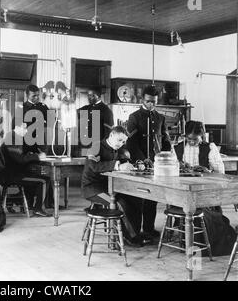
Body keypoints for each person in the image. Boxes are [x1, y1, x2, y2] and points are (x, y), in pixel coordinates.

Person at [173, 120, 237, 256]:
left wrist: (206, 170)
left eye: (196, 139)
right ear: (185, 136)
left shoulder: (209, 147)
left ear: (201, 135)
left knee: (204, 213)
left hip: (204, 190)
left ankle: (201, 242)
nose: (192, 142)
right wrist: (180, 167)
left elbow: (220, 172)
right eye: (189, 139)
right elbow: (171, 168)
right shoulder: (178, 147)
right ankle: (190, 237)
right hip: (182, 189)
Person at [81, 126, 144, 247]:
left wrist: (137, 164)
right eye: (119, 140)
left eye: (124, 141)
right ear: (111, 135)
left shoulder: (119, 148)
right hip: (92, 188)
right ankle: (131, 237)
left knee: (136, 199)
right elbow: (94, 167)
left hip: (111, 187)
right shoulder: (96, 146)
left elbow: (126, 160)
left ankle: (135, 232)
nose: (121, 144)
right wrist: (117, 166)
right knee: (119, 203)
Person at [126, 85, 171, 242]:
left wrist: (165, 157)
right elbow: (130, 143)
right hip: (140, 164)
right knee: (139, 197)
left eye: (154, 102)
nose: (152, 104)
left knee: (153, 198)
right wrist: (141, 159)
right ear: (142, 100)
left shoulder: (160, 118)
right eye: (149, 101)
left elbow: (165, 141)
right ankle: (135, 233)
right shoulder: (134, 117)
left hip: (156, 164)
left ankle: (149, 229)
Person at [1, 121, 52, 217]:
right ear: (16, 127)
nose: (26, 130)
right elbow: (20, 159)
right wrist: (37, 157)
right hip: (12, 175)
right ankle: (38, 209)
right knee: (44, 180)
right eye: (24, 127)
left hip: (13, 172)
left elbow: (20, 155)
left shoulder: (14, 136)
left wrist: (33, 155)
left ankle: (25, 203)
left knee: (35, 176)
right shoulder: (11, 138)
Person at [77, 86, 114, 154]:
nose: (88, 97)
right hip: (84, 145)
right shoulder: (87, 108)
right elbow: (73, 113)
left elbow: (108, 133)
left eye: (90, 95)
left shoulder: (106, 110)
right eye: (88, 95)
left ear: (97, 96)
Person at [22, 84, 49, 155]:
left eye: (38, 95)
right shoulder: (22, 108)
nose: (37, 97)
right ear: (27, 96)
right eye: (34, 96)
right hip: (27, 143)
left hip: (41, 142)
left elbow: (52, 122)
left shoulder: (43, 107)